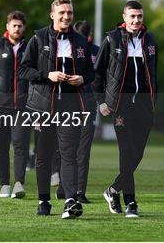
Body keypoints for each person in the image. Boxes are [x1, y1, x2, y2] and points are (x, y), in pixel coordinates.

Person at [19, 0, 94, 219]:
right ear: (52, 15)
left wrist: (82, 79)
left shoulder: (80, 41)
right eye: (61, 13)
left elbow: (92, 73)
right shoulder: (38, 38)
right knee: (43, 155)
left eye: (69, 13)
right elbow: (24, 70)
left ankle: (70, 201)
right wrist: (47, 75)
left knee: (69, 153)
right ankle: (44, 200)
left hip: (70, 107)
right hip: (43, 108)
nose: (66, 16)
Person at [93, 0, 158, 218]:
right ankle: (131, 202)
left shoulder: (150, 41)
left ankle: (112, 191)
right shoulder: (112, 39)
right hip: (120, 106)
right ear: (124, 18)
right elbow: (98, 73)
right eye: (132, 16)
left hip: (144, 106)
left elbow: (153, 75)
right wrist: (101, 101)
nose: (136, 20)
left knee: (137, 155)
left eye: (139, 16)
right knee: (126, 152)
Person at [0, 11, 31, 198]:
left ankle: (18, 184)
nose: (17, 28)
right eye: (14, 25)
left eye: (20, 26)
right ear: (7, 26)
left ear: (24, 28)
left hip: (23, 106)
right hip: (1, 106)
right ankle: (5, 185)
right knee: (2, 146)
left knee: (20, 144)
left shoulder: (30, 47)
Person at [72, 20, 99, 203]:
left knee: (66, 147)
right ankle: (79, 192)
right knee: (83, 150)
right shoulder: (97, 51)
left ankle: (66, 189)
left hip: (70, 102)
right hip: (88, 103)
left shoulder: (68, 48)